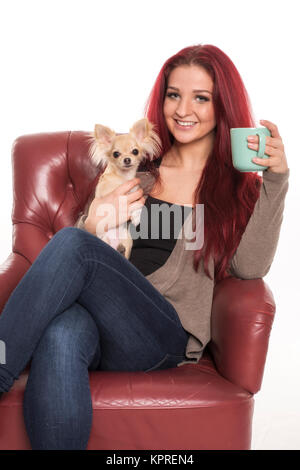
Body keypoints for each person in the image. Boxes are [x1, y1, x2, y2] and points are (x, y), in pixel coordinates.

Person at [0, 44, 289, 450]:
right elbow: (94, 249)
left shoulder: (233, 189)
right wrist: (95, 220)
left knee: (74, 245)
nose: (183, 109)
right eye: (174, 94)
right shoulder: (139, 175)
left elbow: (251, 267)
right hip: (101, 325)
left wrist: (275, 180)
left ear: (222, 107)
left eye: (201, 97)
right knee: (60, 334)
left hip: (161, 335)